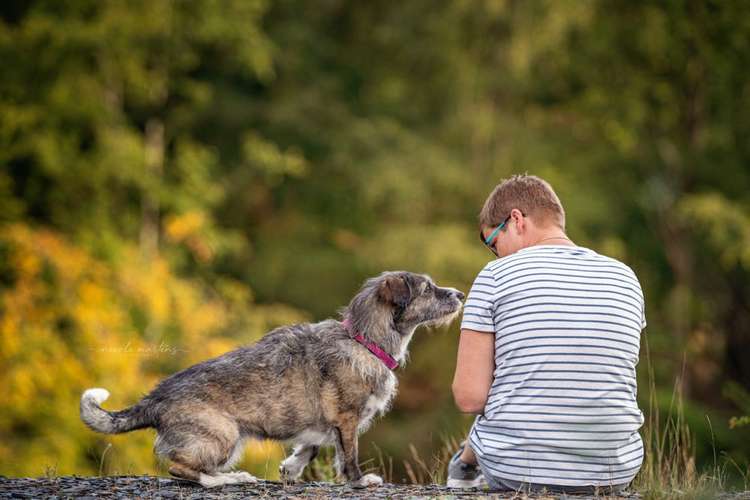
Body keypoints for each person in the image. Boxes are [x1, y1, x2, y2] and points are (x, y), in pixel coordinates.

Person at [447, 174, 646, 494]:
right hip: (614, 471)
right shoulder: (625, 278)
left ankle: (465, 464)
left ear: (516, 220)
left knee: (493, 412)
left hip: (518, 470)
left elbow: (469, 397)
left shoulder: (495, 276)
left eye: (493, 243)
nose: (495, 255)